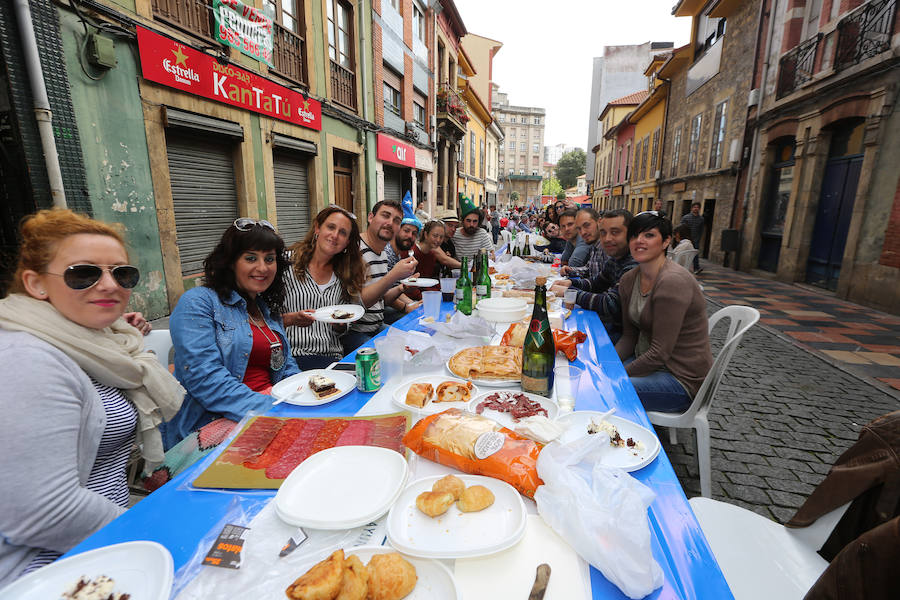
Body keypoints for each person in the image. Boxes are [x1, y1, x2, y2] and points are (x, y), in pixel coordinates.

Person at [0, 209, 184, 585]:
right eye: (83, 274)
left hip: (101, 546)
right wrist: (154, 534)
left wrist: (120, 334)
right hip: (51, 572)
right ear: (36, 284)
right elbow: (44, 511)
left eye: (122, 273)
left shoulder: (100, 343)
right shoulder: (26, 359)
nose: (109, 285)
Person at [162, 219, 301, 454]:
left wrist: (304, 395)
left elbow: (286, 367)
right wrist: (275, 410)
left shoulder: (266, 309)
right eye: (250, 258)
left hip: (270, 414)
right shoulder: (198, 302)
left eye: (269, 259)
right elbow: (206, 381)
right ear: (230, 262)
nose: (263, 267)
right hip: (215, 426)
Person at [616, 211, 712, 412]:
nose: (639, 241)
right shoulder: (629, 279)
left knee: (610, 389)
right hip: (649, 364)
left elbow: (659, 353)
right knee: (592, 371)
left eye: (649, 235)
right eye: (634, 235)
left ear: (666, 241)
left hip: (681, 378)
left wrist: (616, 375)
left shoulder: (672, 281)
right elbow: (629, 336)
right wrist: (607, 365)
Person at [282, 205, 366, 370]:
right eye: (331, 227)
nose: (335, 235)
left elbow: (345, 322)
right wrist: (291, 319)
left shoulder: (345, 274)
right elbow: (263, 316)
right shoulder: (286, 262)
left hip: (332, 357)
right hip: (293, 356)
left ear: (347, 242)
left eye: (343, 233)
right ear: (317, 228)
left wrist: (340, 325)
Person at [343, 200, 418, 354]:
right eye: (385, 216)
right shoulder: (355, 249)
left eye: (396, 221)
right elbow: (361, 303)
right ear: (371, 217)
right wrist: (393, 275)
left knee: (417, 345)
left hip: (377, 327)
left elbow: (381, 300)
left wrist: (401, 287)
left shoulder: (382, 252)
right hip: (355, 334)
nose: (390, 223)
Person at [552, 209, 636, 343]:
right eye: (604, 233)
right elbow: (596, 283)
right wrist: (572, 284)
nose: (607, 239)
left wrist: (570, 292)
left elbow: (611, 304)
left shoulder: (633, 263)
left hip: (617, 330)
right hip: (617, 328)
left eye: (615, 232)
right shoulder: (616, 258)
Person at [453, 196, 494, 263]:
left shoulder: (482, 234)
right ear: (463, 221)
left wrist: (490, 257)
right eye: (468, 221)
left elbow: (491, 254)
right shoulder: (454, 234)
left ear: (479, 222)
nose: (471, 224)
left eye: (475, 221)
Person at [680, 202, 705, 274]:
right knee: (683, 253)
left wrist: (699, 238)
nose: (696, 208)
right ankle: (681, 266)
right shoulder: (686, 217)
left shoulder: (701, 219)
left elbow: (701, 230)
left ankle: (696, 268)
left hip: (696, 239)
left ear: (699, 209)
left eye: (697, 207)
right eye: (694, 207)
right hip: (686, 239)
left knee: (695, 253)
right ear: (692, 208)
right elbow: (682, 228)